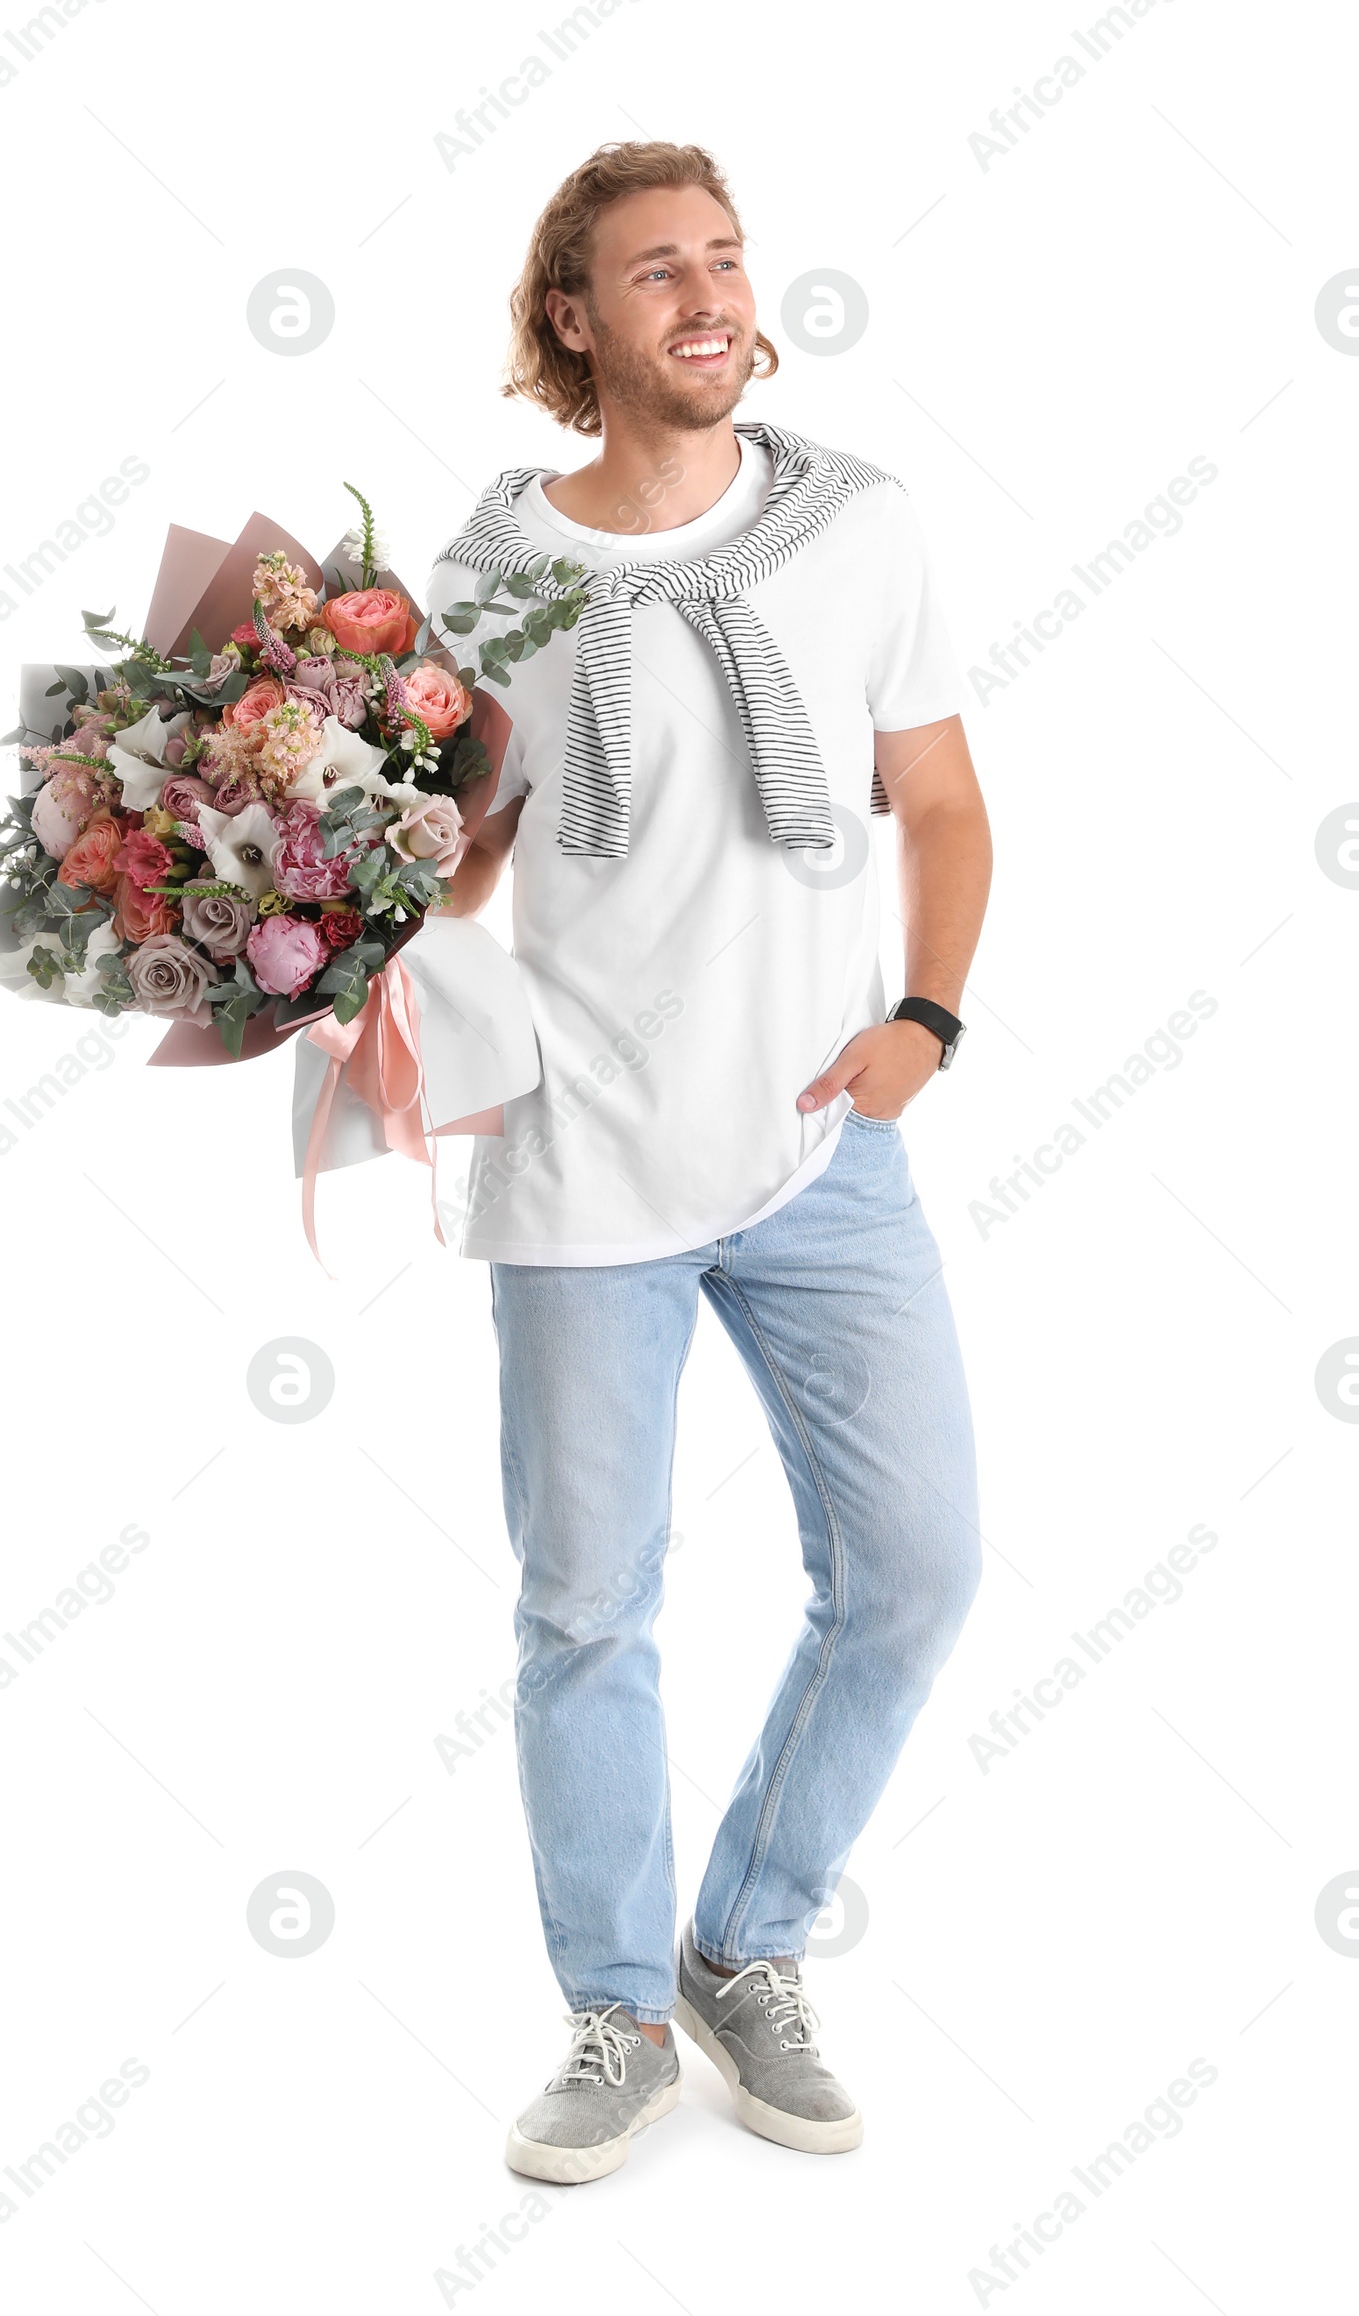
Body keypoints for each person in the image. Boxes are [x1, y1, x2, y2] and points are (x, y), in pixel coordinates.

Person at [429, 140, 991, 2184]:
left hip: (814, 1149)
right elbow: (467, 846)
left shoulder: (859, 526)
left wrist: (919, 1022)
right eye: (652, 269)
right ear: (568, 317)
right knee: (585, 1604)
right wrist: (301, 915)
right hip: (579, 1162)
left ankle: (739, 1939)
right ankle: (610, 2012)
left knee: (915, 1564)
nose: (707, 294)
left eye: (726, 259)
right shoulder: (491, 566)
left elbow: (934, 796)